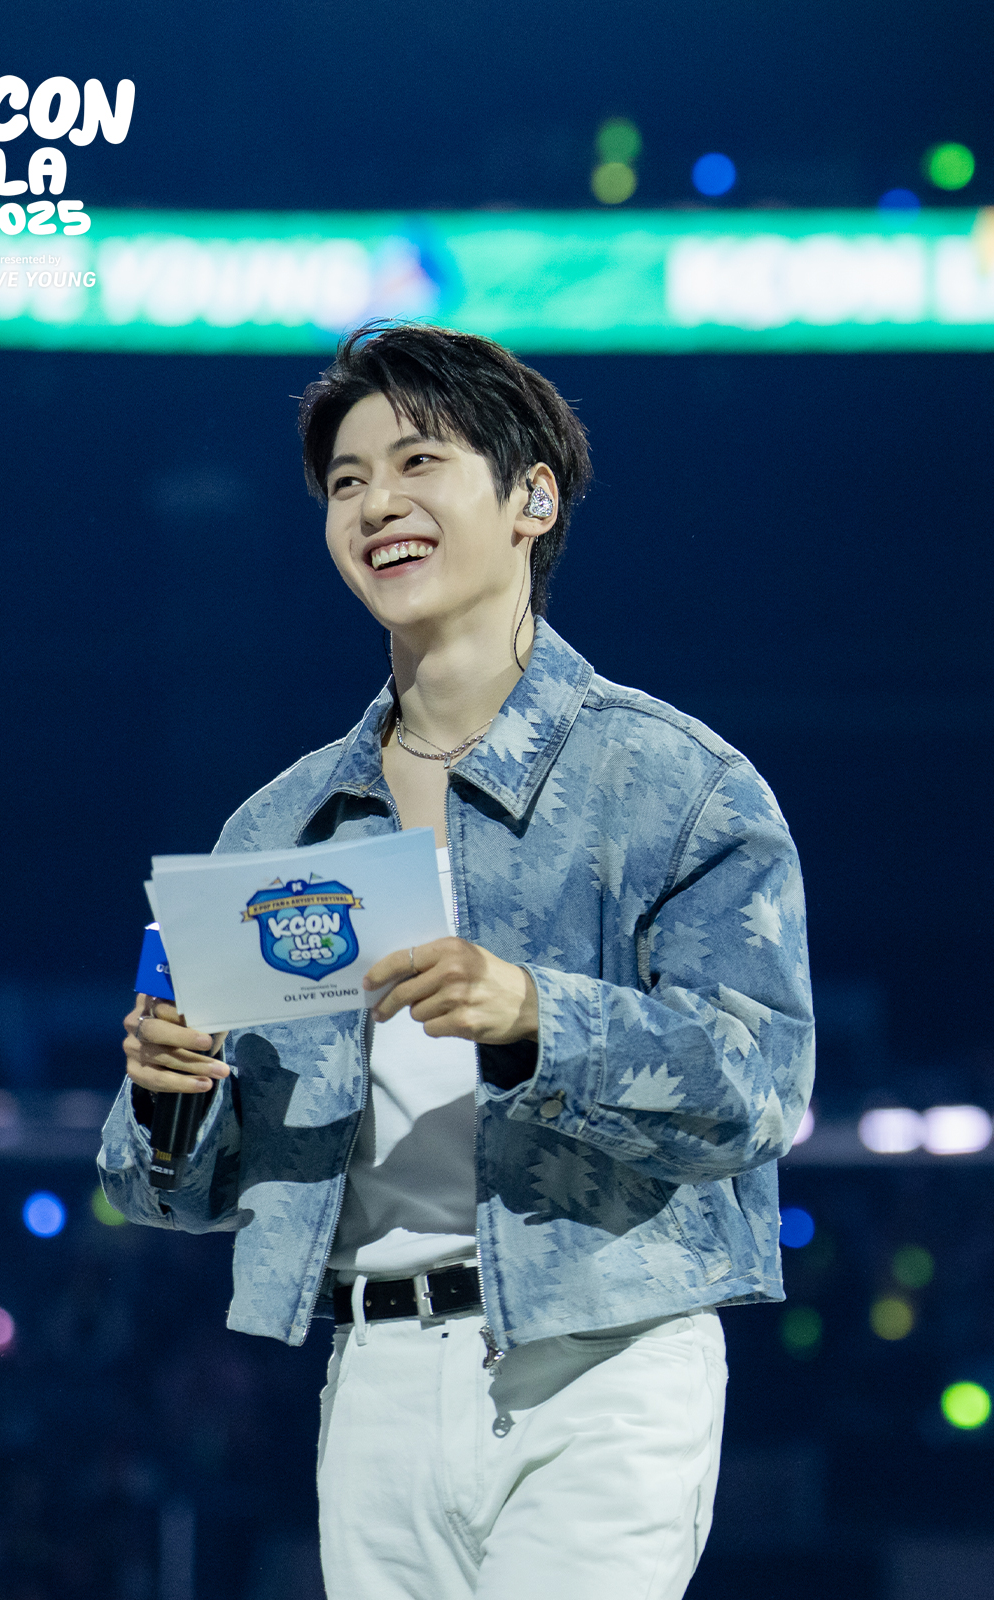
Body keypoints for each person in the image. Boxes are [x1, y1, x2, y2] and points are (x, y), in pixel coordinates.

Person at [100, 321, 814, 1600]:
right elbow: (163, 1190)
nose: (378, 503)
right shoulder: (278, 830)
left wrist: (536, 1014)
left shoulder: (676, 785)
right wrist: (169, 1093)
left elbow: (761, 1087)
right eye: (347, 481)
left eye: (418, 462)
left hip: (604, 1355)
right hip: (374, 1378)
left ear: (532, 498)